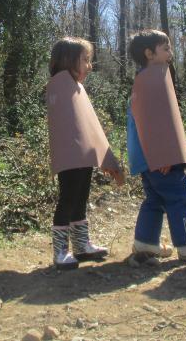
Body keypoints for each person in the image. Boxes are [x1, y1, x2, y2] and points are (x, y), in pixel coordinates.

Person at [127, 29, 186, 261]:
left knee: (155, 200)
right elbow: (153, 122)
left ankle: (145, 244)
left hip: (147, 159)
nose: (171, 53)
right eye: (165, 48)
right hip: (160, 157)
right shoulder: (153, 80)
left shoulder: (142, 80)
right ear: (149, 53)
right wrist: (163, 155)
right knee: (179, 196)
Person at [46, 37, 124, 270]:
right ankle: (60, 251)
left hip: (81, 156)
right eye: (85, 60)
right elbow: (66, 124)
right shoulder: (60, 84)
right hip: (71, 156)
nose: (90, 66)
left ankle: (81, 246)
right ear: (69, 60)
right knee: (68, 199)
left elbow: (87, 123)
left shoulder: (75, 86)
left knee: (80, 199)